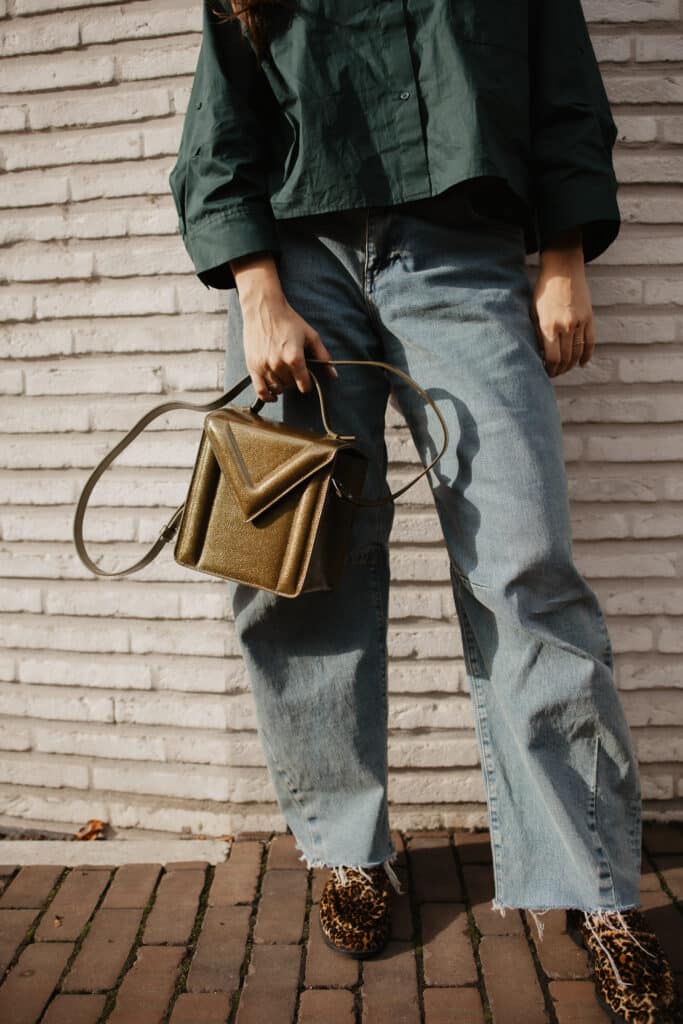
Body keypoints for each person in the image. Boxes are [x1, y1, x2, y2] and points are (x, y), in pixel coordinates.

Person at [168, 2, 680, 1020]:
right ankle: (346, 848)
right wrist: (257, 293)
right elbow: (222, 117)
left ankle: (592, 885)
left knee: (525, 570)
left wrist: (564, 257)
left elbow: (563, 93)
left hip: (463, 253)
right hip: (297, 265)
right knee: (296, 574)